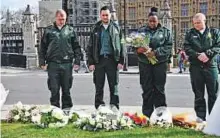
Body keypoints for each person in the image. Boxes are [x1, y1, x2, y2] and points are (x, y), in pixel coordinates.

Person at [38, 9, 81, 109]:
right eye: (60, 19)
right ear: (56, 18)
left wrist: (77, 61)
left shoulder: (70, 30)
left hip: (67, 63)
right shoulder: (48, 30)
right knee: (54, 89)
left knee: (66, 89)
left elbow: (76, 47)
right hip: (53, 64)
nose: (62, 21)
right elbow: (43, 48)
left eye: (64, 19)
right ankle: (55, 109)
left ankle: (66, 109)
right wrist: (42, 62)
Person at [184, 13, 220, 123]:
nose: (196, 25)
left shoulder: (214, 32)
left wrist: (208, 54)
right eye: (194, 23)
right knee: (198, 94)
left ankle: (213, 118)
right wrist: (197, 55)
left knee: (213, 93)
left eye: (198, 22)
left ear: (205, 21)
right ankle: (201, 117)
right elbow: (186, 47)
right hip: (196, 67)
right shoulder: (190, 33)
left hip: (211, 66)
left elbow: (218, 45)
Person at [136, 7, 172, 117]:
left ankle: (161, 115)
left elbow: (168, 47)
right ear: (148, 20)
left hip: (159, 64)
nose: (152, 23)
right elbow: (134, 46)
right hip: (145, 64)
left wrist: (155, 52)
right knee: (146, 89)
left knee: (159, 89)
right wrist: (138, 50)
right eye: (150, 21)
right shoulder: (141, 31)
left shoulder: (166, 32)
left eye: (154, 21)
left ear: (158, 21)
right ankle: (147, 115)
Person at [87, 6, 124, 109]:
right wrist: (90, 62)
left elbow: (122, 44)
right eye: (103, 15)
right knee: (99, 87)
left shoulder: (116, 28)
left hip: (113, 61)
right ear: (100, 15)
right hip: (99, 61)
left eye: (107, 15)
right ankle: (99, 108)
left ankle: (114, 107)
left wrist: (121, 60)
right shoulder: (95, 28)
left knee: (114, 87)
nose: (105, 17)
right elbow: (90, 46)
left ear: (110, 15)